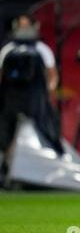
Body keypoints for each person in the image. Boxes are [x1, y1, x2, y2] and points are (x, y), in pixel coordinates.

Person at [0, 14, 62, 182]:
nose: (24, 29)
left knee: (44, 130)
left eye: (27, 25)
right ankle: (6, 171)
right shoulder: (7, 49)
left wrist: (48, 92)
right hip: (11, 99)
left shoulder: (42, 49)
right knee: (6, 135)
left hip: (36, 100)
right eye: (21, 25)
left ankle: (45, 171)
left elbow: (52, 75)